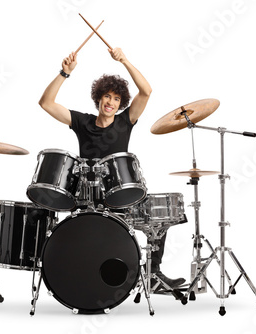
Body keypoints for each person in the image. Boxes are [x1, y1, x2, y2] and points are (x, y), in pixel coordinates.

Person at [38, 47, 184, 290]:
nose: (111, 102)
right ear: (99, 98)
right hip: (87, 197)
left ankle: (153, 275)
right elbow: (46, 103)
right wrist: (64, 73)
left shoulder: (126, 121)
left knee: (159, 217)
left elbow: (146, 91)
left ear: (121, 103)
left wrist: (124, 60)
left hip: (121, 196)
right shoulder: (81, 121)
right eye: (107, 97)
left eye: (117, 99)